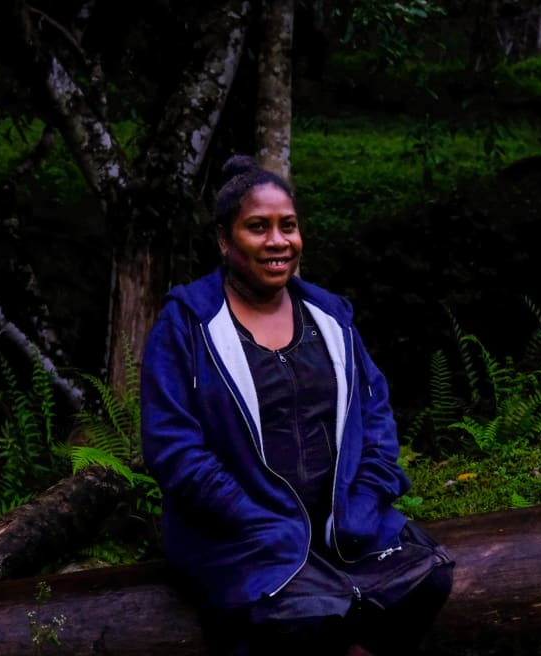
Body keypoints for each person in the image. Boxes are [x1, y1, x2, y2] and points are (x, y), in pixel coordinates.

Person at [141, 155, 454, 656]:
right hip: (238, 533)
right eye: (257, 228)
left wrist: (364, 502)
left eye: (288, 226)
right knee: (305, 618)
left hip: (339, 526)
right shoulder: (188, 326)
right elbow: (174, 450)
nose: (277, 241)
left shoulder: (330, 317)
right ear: (225, 240)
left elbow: (376, 418)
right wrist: (257, 519)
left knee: (427, 578)